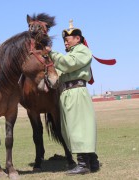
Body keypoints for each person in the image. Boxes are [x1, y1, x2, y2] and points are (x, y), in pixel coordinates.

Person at [46, 20, 100, 175]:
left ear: (78, 39)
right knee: (71, 128)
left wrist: (51, 52)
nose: (66, 41)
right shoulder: (70, 54)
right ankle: (92, 161)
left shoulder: (82, 51)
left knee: (79, 128)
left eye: (68, 38)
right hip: (68, 93)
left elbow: (68, 63)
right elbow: (59, 71)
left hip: (77, 92)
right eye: (64, 39)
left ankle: (83, 164)